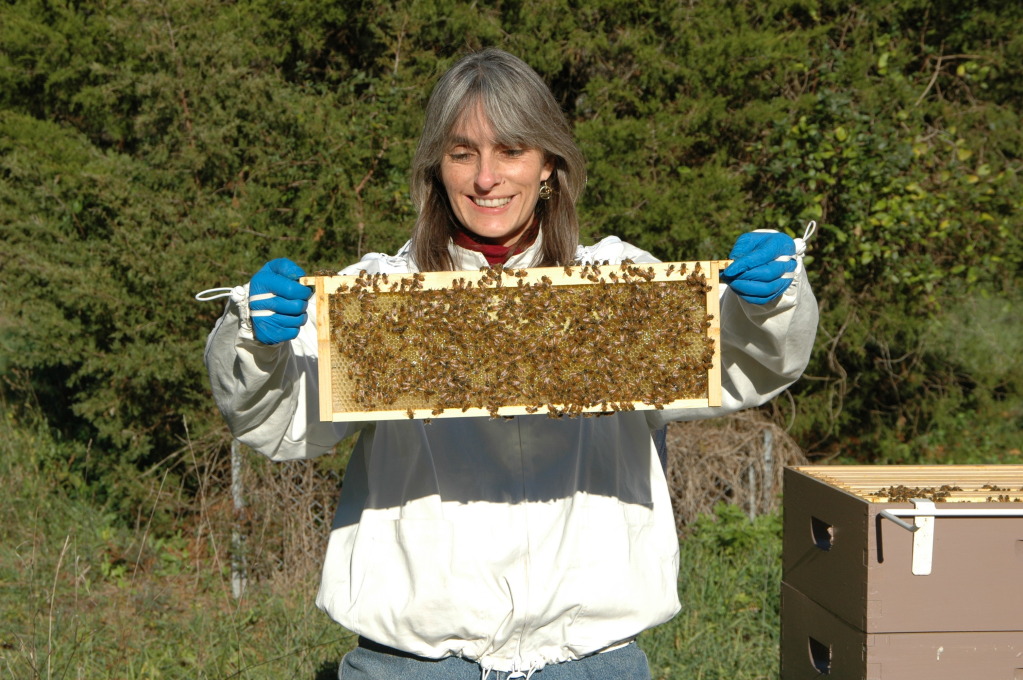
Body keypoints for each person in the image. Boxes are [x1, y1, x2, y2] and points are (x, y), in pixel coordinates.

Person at [204, 48, 818, 680]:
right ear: (436, 170)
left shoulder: (620, 282)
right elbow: (280, 421)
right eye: (462, 153)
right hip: (415, 665)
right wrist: (257, 341)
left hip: (588, 662)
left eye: (512, 150)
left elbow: (744, 363)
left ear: (549, 164)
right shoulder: (380, 292)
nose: (486, 178)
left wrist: (767, 303)